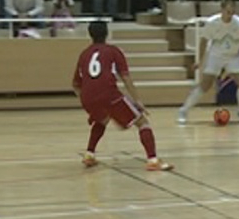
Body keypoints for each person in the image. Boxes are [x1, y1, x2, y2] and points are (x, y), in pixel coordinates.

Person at [72, 20, 173, 172]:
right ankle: (152, 160)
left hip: (87, 97)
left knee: (102, 120)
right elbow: (125, 77)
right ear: (107, 33)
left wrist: (89, 103)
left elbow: (75, 85)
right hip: (108, 94)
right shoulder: (113, 51)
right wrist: (138, 101)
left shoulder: (84, 54)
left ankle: (89, 154)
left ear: (90, 35)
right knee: (142, 122)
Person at [177, 0, 239, 124]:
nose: (230, 14)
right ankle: (184, 110)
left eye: (232, 11)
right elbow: (203, 41)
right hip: (215, 55)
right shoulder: (212, 22)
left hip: (233, 56)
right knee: (205, 85)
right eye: (228, 11)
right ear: (222, 10)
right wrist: (200, 60)